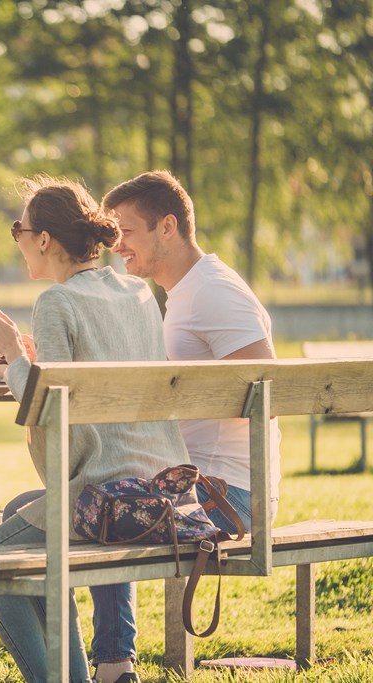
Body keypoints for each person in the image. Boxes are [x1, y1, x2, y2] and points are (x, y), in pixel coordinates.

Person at [0, 175, 189, 683]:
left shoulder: (56, 301)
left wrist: (10, 356)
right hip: (160, 489)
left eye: (17, 230)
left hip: (104, 496)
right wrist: (32, 359)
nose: (20, 241)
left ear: (44, 239)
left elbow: (46, 408)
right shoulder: (137, 292)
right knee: (16, 513)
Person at [101, 170, 281, 533]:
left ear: (167, 227)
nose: (116, 245)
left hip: (227, 497)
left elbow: (266, 396)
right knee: (78, 504)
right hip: (195, 485)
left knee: (80, 511)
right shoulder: (186, 292)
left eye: (126, 232)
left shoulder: (214, 292)